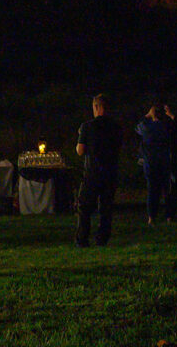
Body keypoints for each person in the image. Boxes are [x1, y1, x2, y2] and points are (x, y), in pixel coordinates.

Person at [75, 94, 123, 248]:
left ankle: (82, 239)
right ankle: (102, 239)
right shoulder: (116, 127)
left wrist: (80, 137)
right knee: (106, 208)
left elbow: (80, 151)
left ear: (96, 107)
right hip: (110, 172)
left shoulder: (87, 126)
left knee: (84, 207)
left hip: (92, 172)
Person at [135, 103, 175, 225]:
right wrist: (170, 115)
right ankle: (169, 217)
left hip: (150, 163)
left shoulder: (146, 127)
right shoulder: (165, 126)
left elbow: (137, 126)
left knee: (152, 190)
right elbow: (176, 127)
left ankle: (151, 217)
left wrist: (148, 114)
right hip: (164, 162)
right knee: (167, 190)